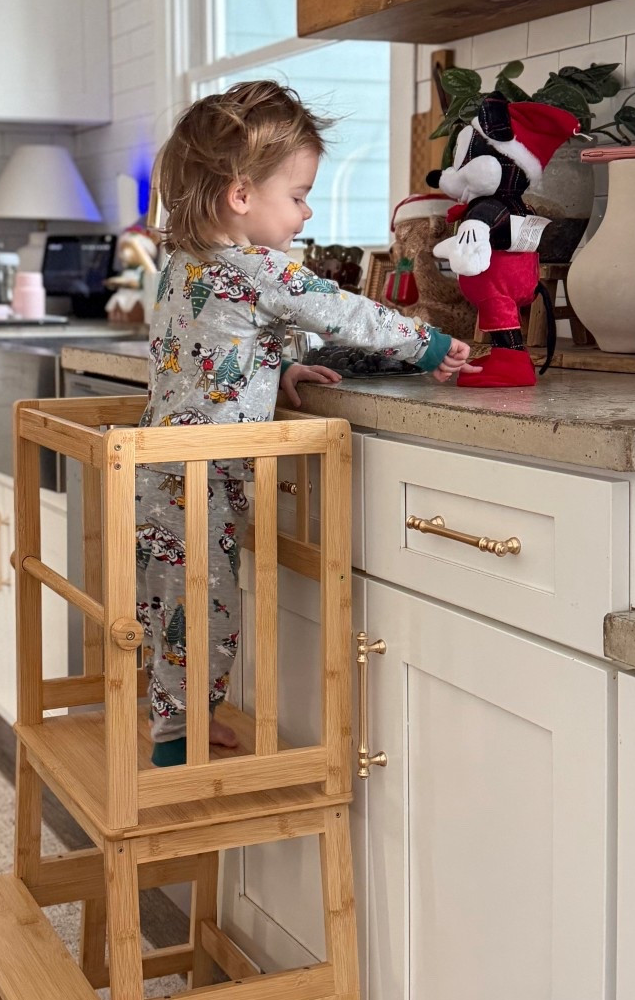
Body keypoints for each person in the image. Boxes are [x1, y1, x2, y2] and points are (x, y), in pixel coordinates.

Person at [138, 81, 470, 766]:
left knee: (173, 606)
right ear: (240, 196)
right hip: (200, 476)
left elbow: (208, 351)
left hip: (161, 467)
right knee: (208, 610)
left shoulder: (184, 266)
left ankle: (176, 720)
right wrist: (426, 343)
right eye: (296, 196)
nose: (306, 210)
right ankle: (177, 742)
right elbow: (342, 309)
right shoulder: (256, 265)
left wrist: (275, 374)